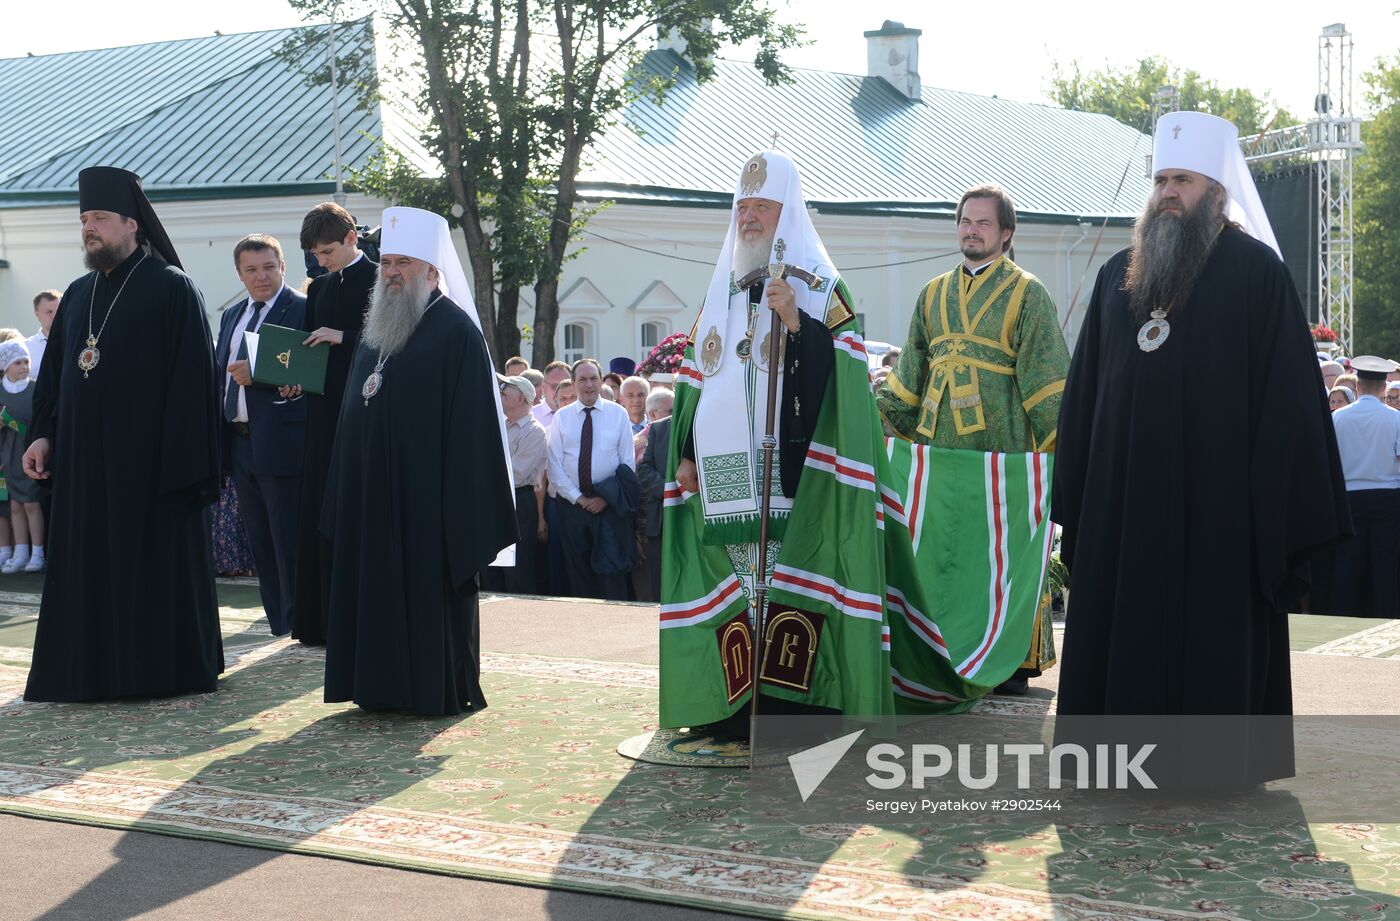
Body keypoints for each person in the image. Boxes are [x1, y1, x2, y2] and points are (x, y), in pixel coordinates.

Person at [1051, 113, 1349, 782]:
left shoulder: (1257, 275)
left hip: (1218, 520)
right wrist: (1080, 495)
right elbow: (1084, 402)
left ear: (1215, 189)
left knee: (1208, 640)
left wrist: (1269, 510)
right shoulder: (1115, 279)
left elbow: (1288, 408)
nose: (1166, 193)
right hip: (1124, 513)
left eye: (1181, 179)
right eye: (1160, 180)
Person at [659, 149, 894, 735]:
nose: (749, 216)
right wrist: (686, 449)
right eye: (743, 205)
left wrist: (797, 324)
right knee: (741, 587)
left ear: (787, 210)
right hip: (723, 472)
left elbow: (847, 377)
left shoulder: (819, 282)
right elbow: (696, 381)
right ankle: (733, 707)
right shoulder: (721, 289)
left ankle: (794, 709)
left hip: (795, 471)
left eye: (762, 205)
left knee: (788, 585)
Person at [23, 165, 222, 702]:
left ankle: (155, 672)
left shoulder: (172, 288)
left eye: (100, 218)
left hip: (149, 473)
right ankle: (85, 671)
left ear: (132, 224)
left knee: (146, 569)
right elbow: (56, 380)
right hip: (85, 470)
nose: (89, 228)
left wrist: (177, 469)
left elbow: (192, 388)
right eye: (85, 218)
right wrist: (43, 436)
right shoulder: (77, 293)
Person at [321, 206, 515, 716]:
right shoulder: (375, 330)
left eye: (403, 263)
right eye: (386, 262)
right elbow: (352, 415)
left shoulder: (456, 333)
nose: (390, 273)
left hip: (427, 512)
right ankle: (377, 688)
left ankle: (431, 690)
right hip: (371, 502)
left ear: (432, 269)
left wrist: (457, 517)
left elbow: (473, 437)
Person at [876, 184, 1068, 694]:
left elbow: (1047, 385)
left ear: (1006, 234)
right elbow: (907, 379)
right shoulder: (932, 293)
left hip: (1000, 459)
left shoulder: (1029, 294)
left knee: (999, 561)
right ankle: (933, 652)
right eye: (964, 221)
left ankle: (1010, 662)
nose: (971, 230)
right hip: (934, 459)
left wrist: (1061, 458)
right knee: (935, 558)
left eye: (983, 223)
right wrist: (872, 418)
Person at [290, 202, 375, 646]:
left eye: (327, 252)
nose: (320, 262)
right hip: (323, 413)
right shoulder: (320, 289)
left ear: (351, 239)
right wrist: (294, 380)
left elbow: (398, 342)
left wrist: (343, 337)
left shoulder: (383, 279)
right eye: (316, 255)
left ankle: (360, 617)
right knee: (321, 505)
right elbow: (309, 349)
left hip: (367, 412)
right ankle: (319, 618)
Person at [215, 234, 307, 635]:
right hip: (238, 441)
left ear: (283, 267)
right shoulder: (231, 315)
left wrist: (265, 373)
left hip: (283, 440)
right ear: (239, 273)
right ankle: (277, 623)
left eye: (268, 267)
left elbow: (314, 367)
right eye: (251, 270)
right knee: (260, 541)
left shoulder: (303, 308)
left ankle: (301, 620)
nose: (261, 276)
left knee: (288, 537)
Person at [547, 359, 637, 600]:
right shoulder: (562, 418)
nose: (589, 385)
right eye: (582, 380)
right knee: (578, 573)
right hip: (571, 507)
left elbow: (627, 464)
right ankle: (582, 626)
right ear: (573, 383)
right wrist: (579, 499)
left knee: (611, 576)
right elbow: (554, 466)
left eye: (593, 379)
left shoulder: (617, 414)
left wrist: (605, 500)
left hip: (609, 507)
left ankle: (612, 626)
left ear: (600, 380)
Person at [1328, 356, 1400, 618]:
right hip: (1387, 497)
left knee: (1347, 561)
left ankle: (1342, 616)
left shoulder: (1338, 419)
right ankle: (1384, 615)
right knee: (1384, 563)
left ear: (1357, 386)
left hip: (1348, 496)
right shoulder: (1395, 419)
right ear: (1384, 387)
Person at [483, 374, 548, 594]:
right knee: (491, 567)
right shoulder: (497, 425)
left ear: (521, 398)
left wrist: (482, 473)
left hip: (518, 502)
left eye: (504, 392)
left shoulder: (535, 431)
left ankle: (519, 619)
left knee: (517, 571)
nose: (499, 395)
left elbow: (517, 474)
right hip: (492, 499)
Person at [0, 341, 43, 573]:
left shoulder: (36, 389)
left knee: (32, 504)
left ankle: (38, 553)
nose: (24, 366)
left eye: (26, 361)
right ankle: (20, 552)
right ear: (6, 365)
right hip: (7, 455)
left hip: (29, 453)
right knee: (15, 505)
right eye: (18, 362)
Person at [26, 290, 59, 381]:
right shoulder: (26, 348)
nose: (55, 316)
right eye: (49, 312)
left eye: (58, 311)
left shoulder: (74, 343)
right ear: (37, 314)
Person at [532, 360, 571, 428]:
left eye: (565, 385)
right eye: (555, 386)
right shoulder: (532, 416)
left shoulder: (583, 414)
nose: (560, 391)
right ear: (543, 387)